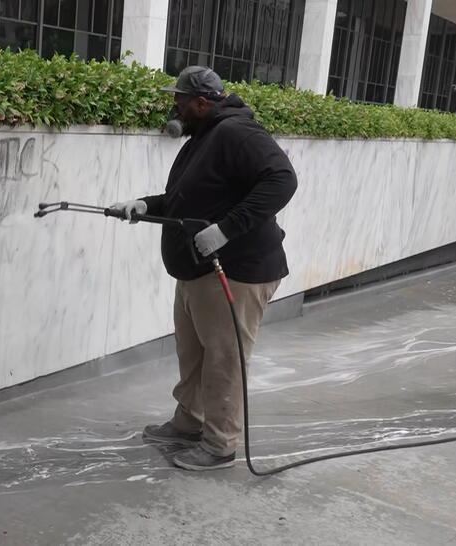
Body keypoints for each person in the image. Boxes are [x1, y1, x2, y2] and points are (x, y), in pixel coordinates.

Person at [112, 66, 298, 471]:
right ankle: (189, 422)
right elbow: (190, 197)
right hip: (200, 269)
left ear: (201, 102)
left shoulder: (236, 133)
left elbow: (282, 180)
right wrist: (145, 205)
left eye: (179, 99)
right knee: (193, 354)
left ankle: (220, 445)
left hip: (236, 270)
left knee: (223, 359)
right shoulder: (204, 137)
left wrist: (226, 230)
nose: (173, 105)